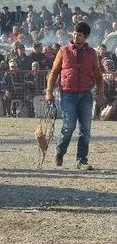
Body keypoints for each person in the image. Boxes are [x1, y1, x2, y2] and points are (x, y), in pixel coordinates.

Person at [45, 22, 104, 171]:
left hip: (86, 95)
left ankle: (82, 160)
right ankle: (60, 151)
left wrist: (100, 93)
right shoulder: (63, 51)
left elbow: (98, 75)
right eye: (75, 34)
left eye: (79, 35)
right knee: (69, 126)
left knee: (85, 130)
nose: (76, 37)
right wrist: (49, 91)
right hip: (67, 94)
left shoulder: (92, 53)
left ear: (86, 37)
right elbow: (54, 72)